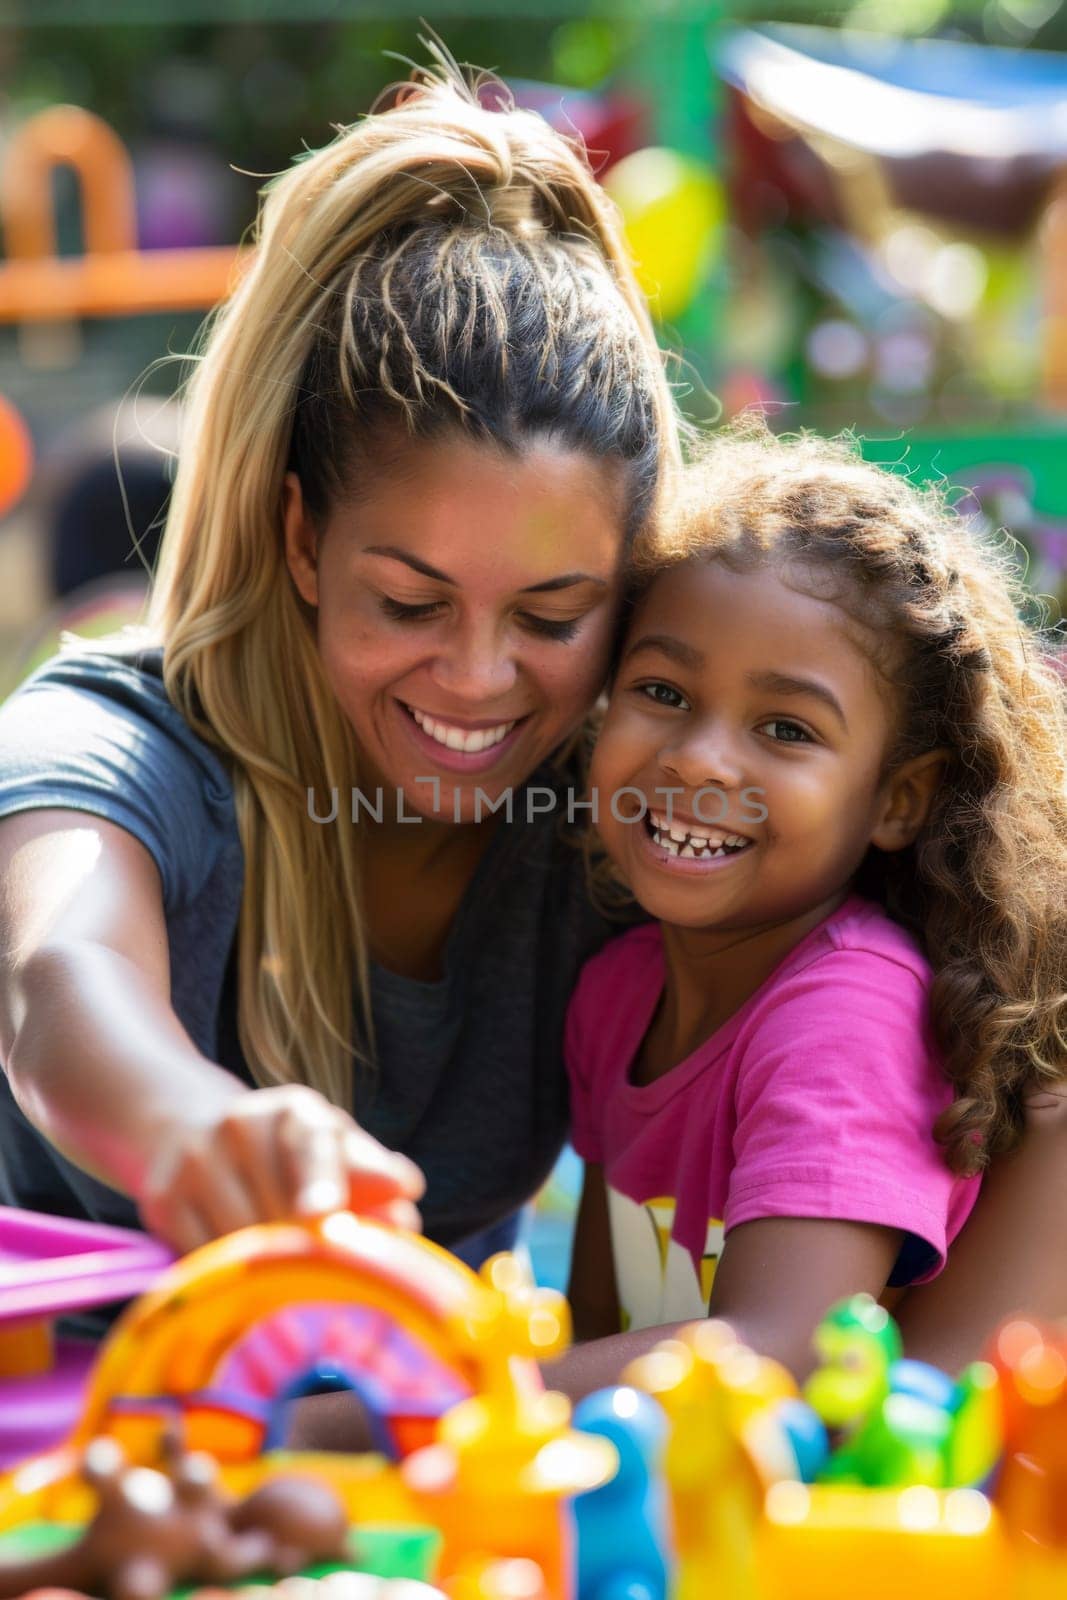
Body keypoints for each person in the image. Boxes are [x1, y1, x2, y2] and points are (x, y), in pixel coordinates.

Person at [0, 60, 676, 1292]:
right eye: (409, 603)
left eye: (552, 614)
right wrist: (196, 1127)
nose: (477, 679)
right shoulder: (112, 743)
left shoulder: (621, 806)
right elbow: (58, 978)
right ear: (303, 540)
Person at [551, 425, 1067, 1392]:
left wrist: (375, 1426)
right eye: (660, 690)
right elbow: (584, 1340)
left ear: (895, 801)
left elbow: (778, 1350)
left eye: (785, 728)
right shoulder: (614, 995)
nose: (700, 758)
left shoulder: (847, 1012)